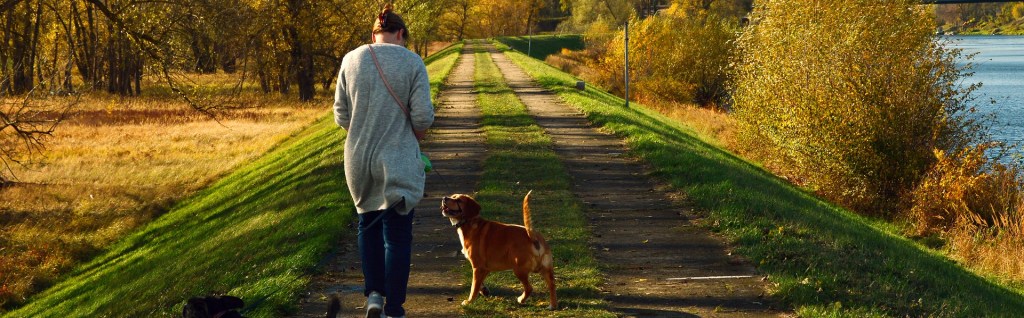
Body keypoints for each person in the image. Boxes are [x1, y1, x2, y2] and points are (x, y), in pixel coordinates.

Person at [332, 5, 433, 318]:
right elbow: (422, 117)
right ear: (401, 33)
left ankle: (374, 295)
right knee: (397, 236)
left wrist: (364, 131)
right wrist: (413, 136)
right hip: (398, 159)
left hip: (358, 160)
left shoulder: (351, 59)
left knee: (368, 225)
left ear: (373, 34)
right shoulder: (412, 62)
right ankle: (394, 309)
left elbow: (341, 115)